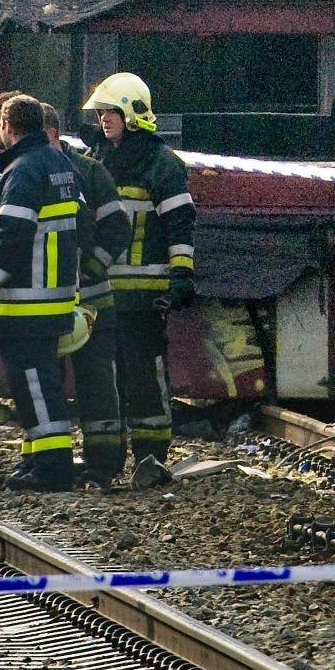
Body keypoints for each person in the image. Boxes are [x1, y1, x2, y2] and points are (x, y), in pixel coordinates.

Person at [81, 73, 195, 486]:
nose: (103, 120)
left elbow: (180, 225)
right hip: (101, 294)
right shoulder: (95, 160)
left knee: (145, 379)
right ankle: (102, 461)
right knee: (101, 381)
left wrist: (181, 275)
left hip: (145, 297)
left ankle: (150, 458)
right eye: (101, 113)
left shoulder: (162, 164)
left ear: (131, 114)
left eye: (110, 112)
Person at [0, 91, 83, 491]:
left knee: (34, 383)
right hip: (53, 296)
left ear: (8, 127)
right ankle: (36, 459)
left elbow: (12, 239)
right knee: (37, 383)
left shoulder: (22, 171)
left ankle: (52, 471)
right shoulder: (58, 164)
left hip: (27, 300)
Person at [40, 101, 131, 484]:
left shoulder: (90, 172)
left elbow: (117, 229)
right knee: (47, 382)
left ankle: (103, 463)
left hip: (92, 300)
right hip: (44, 302)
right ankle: (54, 463)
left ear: (49, 134)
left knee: (96, 383)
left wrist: (89, 268)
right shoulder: (26, 172)